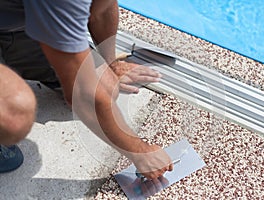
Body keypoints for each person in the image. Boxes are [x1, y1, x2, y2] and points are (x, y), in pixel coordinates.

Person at [0, 0, 173, 179]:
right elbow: (83, 94)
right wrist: (138, 151)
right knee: (13, 111)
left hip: (19, 23)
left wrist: (110, 64)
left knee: (106, 85)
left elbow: (102, 9)